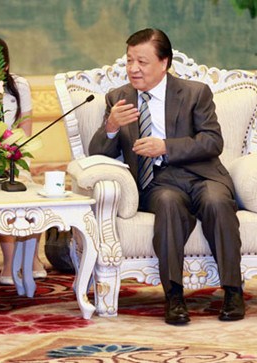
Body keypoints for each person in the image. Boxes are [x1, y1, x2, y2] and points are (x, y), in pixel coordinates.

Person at [88, 28, 245, 325]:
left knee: (216, 201)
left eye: (142, 62)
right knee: (169, 204)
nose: (133, 68)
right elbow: (97, 156)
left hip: (202, 174)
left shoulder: (195, 92)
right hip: (157, 182)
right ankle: (174, 296)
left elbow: (213, 142)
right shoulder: (118, 98)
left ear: (164, 63)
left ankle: (233, 291)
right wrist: (110, 126)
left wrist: (165, 147)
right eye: (129, 60)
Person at [0, 35, 46, 285]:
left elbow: (25, 126)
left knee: (33, 195)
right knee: (1, 201)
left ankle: (33, 257)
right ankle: (9, 263)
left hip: (13, 157)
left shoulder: (19, 85)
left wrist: (17, 156)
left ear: (6, 66)